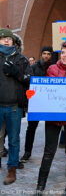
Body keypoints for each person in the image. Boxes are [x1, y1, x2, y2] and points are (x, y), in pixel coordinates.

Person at [34, 42, 66, 196]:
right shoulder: (51, 69)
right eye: (63, 52)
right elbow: (45, 92)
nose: (64, 55)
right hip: (53, 117)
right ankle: (40, 184)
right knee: (49, 151)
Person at [0, 28, 32, 185]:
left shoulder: (21, 59)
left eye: (9, 38)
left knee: (13, 139)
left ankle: (11, 169)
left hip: (14, 106)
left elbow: (29, 79)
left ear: (13, 41)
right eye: (3, 38)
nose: (6, 40)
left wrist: (16, 72)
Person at [20, 46, 53, 163]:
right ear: (41, 54)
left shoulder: (54, 68)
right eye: (44, 53)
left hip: (50, 104)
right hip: (36, 103)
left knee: (51, 130)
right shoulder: (33, 67)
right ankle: (27, 152)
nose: (46, 56)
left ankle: (48, 154)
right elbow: (28, 83)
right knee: (31, 128)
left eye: (49, 54)